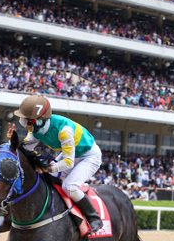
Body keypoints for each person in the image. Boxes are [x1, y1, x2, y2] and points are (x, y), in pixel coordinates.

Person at [8, 95, 103, 232]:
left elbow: (69, 163)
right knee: (47, 180)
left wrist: (46, 168)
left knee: (69, 187)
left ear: (39, 121)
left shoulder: (64, 131)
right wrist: (13, 142)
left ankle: (94, 217)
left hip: (89, 156)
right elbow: (25, 150)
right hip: (71, 153)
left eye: (27, 121)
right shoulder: (36, 130)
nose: (24, 124)